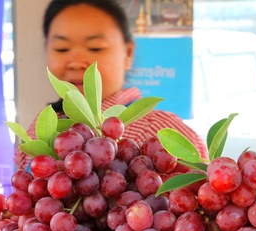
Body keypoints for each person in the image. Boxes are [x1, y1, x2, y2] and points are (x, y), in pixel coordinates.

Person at [14, 0, 208, 170]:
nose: (76, 61)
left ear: (128, 53)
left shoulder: (163, 133)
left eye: (95, 47)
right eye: (61, 48)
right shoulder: (43, 127)